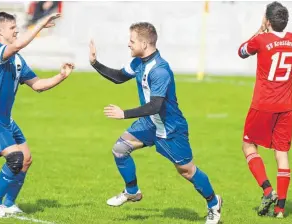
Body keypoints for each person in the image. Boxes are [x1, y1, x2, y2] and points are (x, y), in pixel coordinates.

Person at [89, 22, 222, 224]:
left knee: (187, 171)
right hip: (150, 123)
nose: (128, 44)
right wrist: (95, 63)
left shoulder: (160, 70)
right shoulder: (138, 62)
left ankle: (213, 203)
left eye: (132, 41)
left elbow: (155, 106)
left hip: (170, 128)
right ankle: (132, 191)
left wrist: (123, 113)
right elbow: (118, 77)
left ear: (144, 43)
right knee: (119, 149)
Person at [0, 11, 74, 218]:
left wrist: (61, 76)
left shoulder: (17, 60)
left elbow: (38, 85)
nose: (17, 30)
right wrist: (40, 24)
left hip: (5, 120)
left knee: (26, 159)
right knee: (16, 158)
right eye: (12, 28)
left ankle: (9, 204)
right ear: (0, 31)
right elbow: (18, 45)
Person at [238, 1, 292, 218]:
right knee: (281, 153)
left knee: (248, 145)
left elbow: (242, 51)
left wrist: (260, 29)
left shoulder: (261, 40)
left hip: (263, 105)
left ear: (268, 20)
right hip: (286, 107)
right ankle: (280, 209)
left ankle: (267, 190)